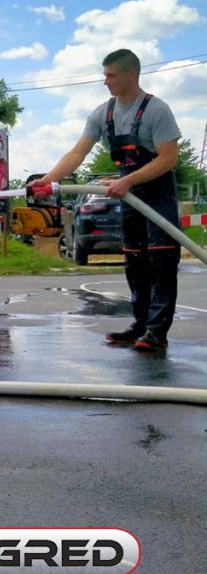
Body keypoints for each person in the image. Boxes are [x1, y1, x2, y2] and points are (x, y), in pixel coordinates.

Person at [34, 49, 182, 351]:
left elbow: (169, 159)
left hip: (158, 196)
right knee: (135, 261)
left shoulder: (156, 110)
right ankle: (140, 325)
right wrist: (48, 179)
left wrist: (127, 180)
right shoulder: (103, 113)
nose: (106, 81)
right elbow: (77, 153)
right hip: (129, 197)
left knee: (162, 262)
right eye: (105, 75)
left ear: (131, 74)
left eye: (111, 75)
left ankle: (156, 332)